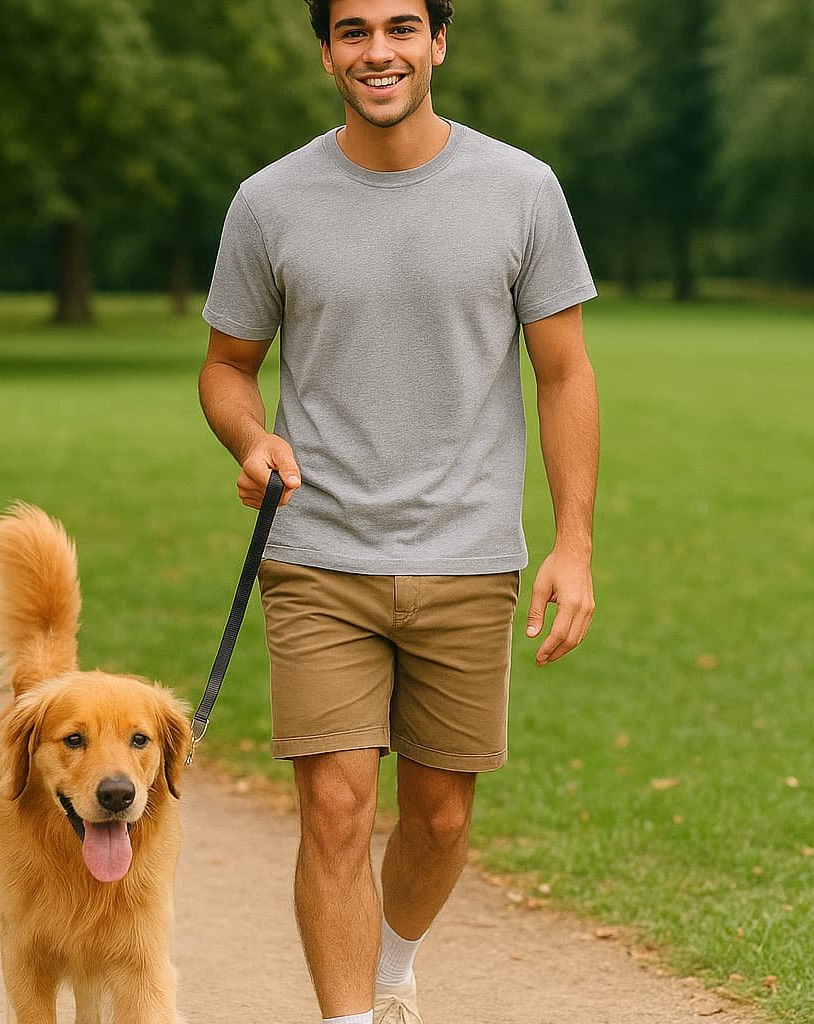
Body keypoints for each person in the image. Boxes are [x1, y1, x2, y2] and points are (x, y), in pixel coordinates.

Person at [198, 0, 599, 1021]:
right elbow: (226, 368)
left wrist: (574, 543)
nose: (378, 50)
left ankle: (387, 965)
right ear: (326, 49)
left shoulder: (521, 191)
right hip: (317, 550)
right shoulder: (269, 201)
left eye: (401, 26)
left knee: (439, 816)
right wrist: (253, 440)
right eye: (353, 31)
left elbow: (563, 374)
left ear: (438, 41)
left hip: (469, 554)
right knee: (334, 809)